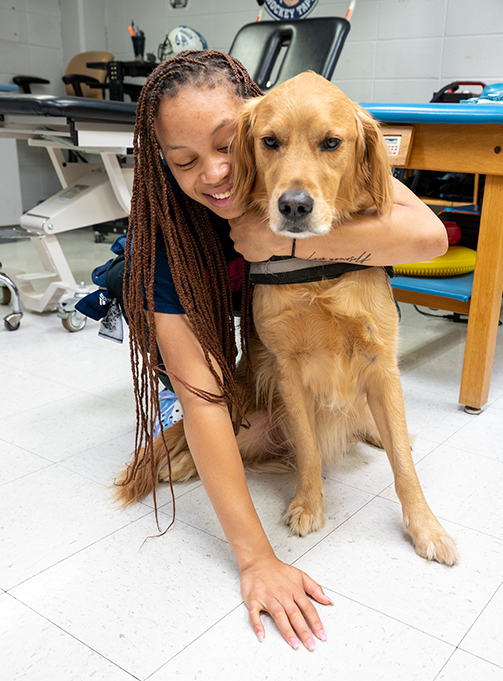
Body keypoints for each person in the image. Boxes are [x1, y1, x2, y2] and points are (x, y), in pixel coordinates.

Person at [114, 50, 447, 652]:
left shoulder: (303, 124)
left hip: (300, 357)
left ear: (245, 122)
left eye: (225, 146)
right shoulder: (167, 237)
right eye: (185, 160)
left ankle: (328, 432)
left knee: (348, 407)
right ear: (162, 163)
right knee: (222, 426)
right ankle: (192, 437)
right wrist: (256, 560)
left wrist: (278, 236)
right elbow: (204, 397)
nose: (216, 173)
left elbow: (427, 234)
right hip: (210, 371)